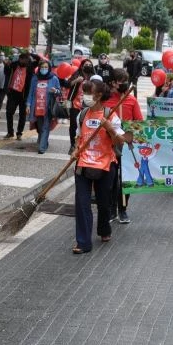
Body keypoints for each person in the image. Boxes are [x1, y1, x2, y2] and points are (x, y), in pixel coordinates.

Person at [72, 79, 127, 254]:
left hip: (105, 164)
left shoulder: (111, 115)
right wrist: (76, 149)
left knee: (104, 203)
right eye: (84, 92)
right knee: (82, 203)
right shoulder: (82, 115)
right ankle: (83, 242)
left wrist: (110, 128)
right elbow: (79, 136)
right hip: (83, 164)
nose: (85, 96)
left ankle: (104, 229)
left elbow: (121, 141)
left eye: (89, 92)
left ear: (99, 95)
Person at [106, 68, 142, 224]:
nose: (125, 84)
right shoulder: (107, 100)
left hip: (127, 145)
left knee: (126, 178)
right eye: (121, 81)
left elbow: (139, 122)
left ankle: (123, 209)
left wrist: (131, 133)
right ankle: (111, 209)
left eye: (126, 81)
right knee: (110, 178)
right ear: (113, 83)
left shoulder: (131, 100)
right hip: (110, 145)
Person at [25, 59, 60, 154]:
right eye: (42, 67)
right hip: (37, 107)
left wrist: (55, 91)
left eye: (46, 67)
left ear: (49, 68)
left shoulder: (54, 78)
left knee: (45, 126)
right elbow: (31, 93)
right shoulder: (35, 78)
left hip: (48, 107)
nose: (44, 69)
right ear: (39, 68)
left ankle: (42, 147)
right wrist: (28, 105)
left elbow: (59, 92)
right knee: (40, 127)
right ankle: (44, 141)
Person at [4, 50, 37, 141]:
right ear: (19, 59)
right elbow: (6, 72)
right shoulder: (14, 65)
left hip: (24, 95)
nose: (22, 61)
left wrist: (30, 54)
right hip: (13, 93)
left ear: (27, 60)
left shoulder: (30, 67)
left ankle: (19, 133)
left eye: (25, 59)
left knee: (22, 115)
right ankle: (10, 132)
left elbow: (38, 59)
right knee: (9, 112)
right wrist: (6, 65)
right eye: (21, 59)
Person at [66, 59, 95, 153]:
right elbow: (68, 84)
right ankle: (72, 145)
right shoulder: (77, 74)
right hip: (75, 104)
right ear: (82, 66)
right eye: (86, 64)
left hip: (88, 105)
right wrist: (76, 80)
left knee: (86, 125)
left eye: (90, 65)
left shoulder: (93, 77)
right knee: (73, 125)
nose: (88, 66)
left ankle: (83, 145)